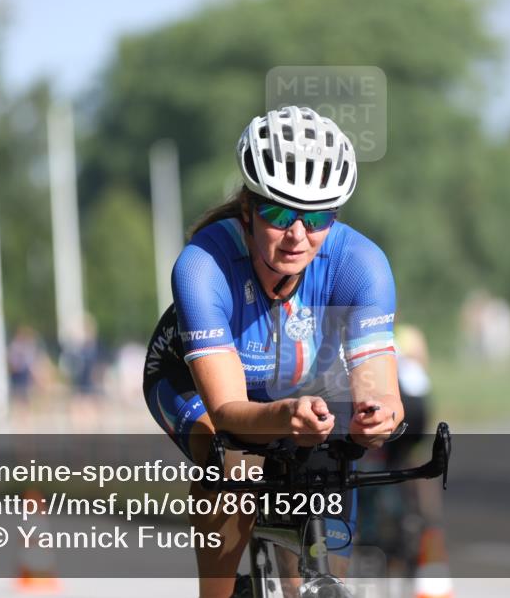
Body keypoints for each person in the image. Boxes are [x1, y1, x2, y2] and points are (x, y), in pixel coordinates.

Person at [143, 106, 404, 598]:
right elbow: (228, 411)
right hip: (195, 385)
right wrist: (286, 414)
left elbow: (378, 387)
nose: (298, 235)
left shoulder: (361, 265)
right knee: (231, 462)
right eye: (280, 214)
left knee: (330, 467)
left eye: (318, 217)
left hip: (298, 389)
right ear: (248, 208)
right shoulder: (203, 266)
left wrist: (375, 417)